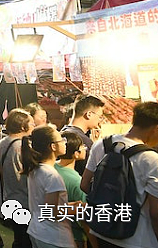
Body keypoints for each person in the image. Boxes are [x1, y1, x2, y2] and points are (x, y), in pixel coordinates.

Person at [80, 101, 158, 248]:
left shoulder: (102, 143)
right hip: (135, 239)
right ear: (156, 129)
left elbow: (84, 185)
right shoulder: (151, 159)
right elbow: (155, 213)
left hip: (101, 230)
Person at [21, 126, 76, 248]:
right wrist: (77, 209)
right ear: (53, 146)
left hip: (38, 231)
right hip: (54, 237)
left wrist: (71, 205)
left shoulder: (36, 169)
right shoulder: (52, 176)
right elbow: (52, 212)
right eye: (61, 140)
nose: (65, 143)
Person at [0, 108, 35, 248]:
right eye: (32, 124)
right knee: (25, 240)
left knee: (19, 237)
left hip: (10, 197)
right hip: (25, 199)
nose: (33, 127)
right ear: (23, 126)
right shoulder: (22, 146)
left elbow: (0, 169)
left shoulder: (2, 143)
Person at [54, 131, 88, 248]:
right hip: (73, 235)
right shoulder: (77, 181)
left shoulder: (50, 167)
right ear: (76, 154)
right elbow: (83, 216)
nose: (85, 149)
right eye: (83, 147)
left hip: (53, 231)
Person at [61, 95, 104, 175]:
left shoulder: (63, 132)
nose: (100, 120)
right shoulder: (83, 141)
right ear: (89, 114)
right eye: (100, 116)